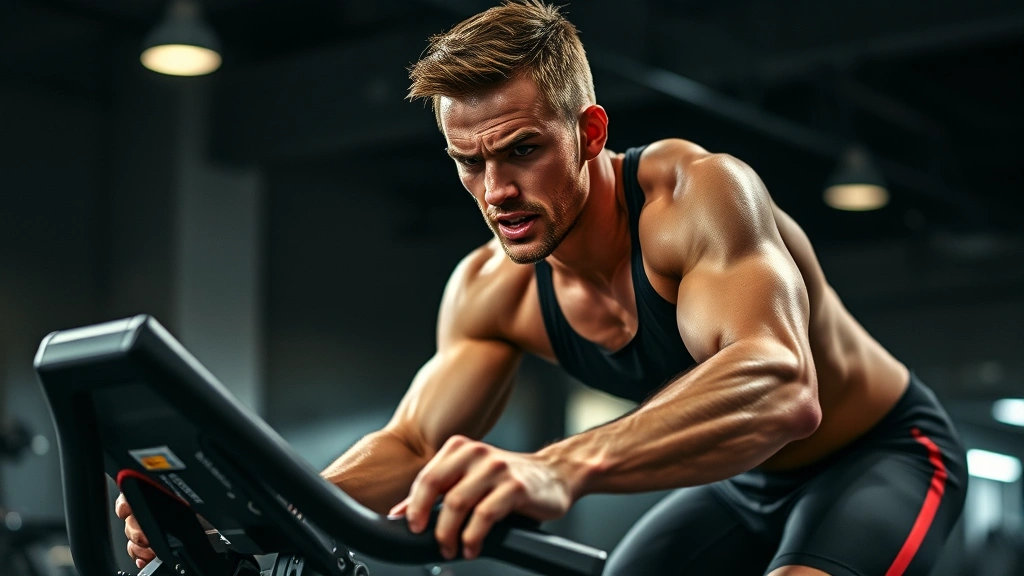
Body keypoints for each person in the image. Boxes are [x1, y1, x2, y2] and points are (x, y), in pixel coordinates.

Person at [118, 2, 969, 574]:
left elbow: (782, 387)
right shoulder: (492, 291)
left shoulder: (695, 197)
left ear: (589, 131)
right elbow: (413, 447)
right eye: (469, 161)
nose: (495, 191)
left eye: (521, 149)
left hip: (880, 455)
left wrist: (560, 469)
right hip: (738, 481)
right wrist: (239, 509)